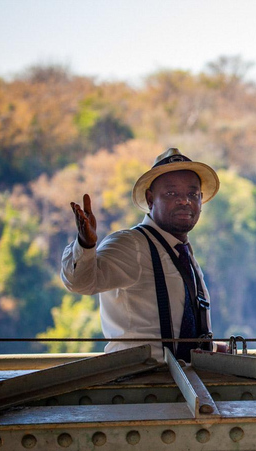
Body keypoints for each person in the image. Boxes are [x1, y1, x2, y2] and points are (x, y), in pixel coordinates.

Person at [61, 148, 220, 362]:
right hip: (138, 386)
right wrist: (85, 244)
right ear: (150, 199)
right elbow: (81, 283)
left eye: (192, 194)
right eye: (172, 193)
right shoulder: (131, 244)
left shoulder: (184, 254)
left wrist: (220, 351)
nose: (185, 201)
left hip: (180, 387)